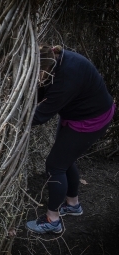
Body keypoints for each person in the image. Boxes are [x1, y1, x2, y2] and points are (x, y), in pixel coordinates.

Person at [26, 44, 115, 234]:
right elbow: (42, 90)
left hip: (90, 120)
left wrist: (10, 119)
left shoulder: (66, 77)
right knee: (64, 160)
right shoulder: (57, 62)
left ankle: (53, 220)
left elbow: (39, 116)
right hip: (80, 113)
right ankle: (73, 204)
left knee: (55, 165)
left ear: (43, 69)